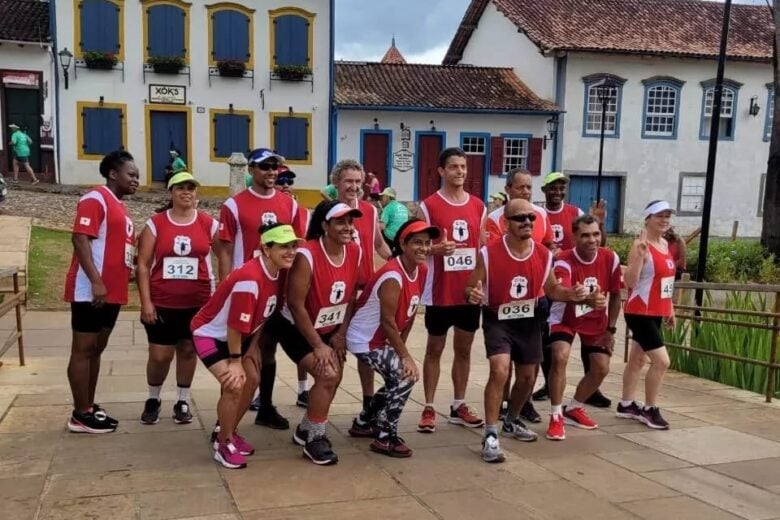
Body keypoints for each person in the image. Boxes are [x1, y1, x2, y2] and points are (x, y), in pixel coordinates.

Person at [465, 199, 599, 463]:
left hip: (529, 318)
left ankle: (512, 420)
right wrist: (473, 293)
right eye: (520, 218)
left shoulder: (543, 254)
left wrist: (572, 294)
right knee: (500, 369)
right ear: (506, 223)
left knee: (527, 378)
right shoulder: (489, 253)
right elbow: (469, 287)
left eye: (531, 217)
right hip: (498, 317)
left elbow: (552, 290)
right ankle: (491, 434)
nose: (527, 222)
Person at [191, 223, 301, 469]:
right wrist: (235, 360)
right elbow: (233, 325)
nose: (291, 251)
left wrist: (252, 350)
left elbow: (263, 313)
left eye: (294, 245)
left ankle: (230, 431)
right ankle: (222, 441)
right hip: (210, 334)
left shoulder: (278, 273)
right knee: (234, 384)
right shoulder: (250, 279)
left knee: (252, 379)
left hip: (239, 337)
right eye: (284, 246)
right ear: (266, 249)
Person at [216, 147, 298, 430]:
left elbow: (297, 248)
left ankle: (265, 406)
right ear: (251, 170)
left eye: (275, 166)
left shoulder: (290, 204)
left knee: (268, 350)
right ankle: (225, 419)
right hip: (246, 291)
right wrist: (225, 287)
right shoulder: (234, 206)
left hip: (276, 291)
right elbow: (224, 249)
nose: (272, 172)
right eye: (265, 167)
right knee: (237, 354)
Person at [279, 201, 363, 465]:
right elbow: (295, 303)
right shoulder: (308, 254)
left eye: (350, 221)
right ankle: (316, 437)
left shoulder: (355, 252)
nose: (347, 227)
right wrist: (318, 344)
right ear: (325, 225)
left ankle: (306, 428)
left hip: (330, 326)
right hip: (296, 327)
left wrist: (340, 334)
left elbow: (350, 296)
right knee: (327, 373)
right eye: (340, 222)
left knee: (334, 376)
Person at [64, 150, 139, 433]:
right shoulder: (95, 199)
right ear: (112, 174)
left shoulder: (120, 206)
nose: (136, 181)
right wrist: (96, 281)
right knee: (83, 350)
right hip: (91, 292)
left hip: (113, 292)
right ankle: (80, 413)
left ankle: (89, 405)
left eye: (137, 176)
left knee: (97, 350)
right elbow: (80, 238)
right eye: (131, 175)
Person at [346, 219, 435, 457]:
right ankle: (385, 437)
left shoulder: (422, 269)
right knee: (405, 377)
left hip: (380, 337)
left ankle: (365, 422)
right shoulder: (393, 275)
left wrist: (400, 350)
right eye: (417, 242)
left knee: (397, 376)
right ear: (403, 244)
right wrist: (405, 357)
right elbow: (387, 321)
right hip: (363, 338)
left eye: (427, 243)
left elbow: (411, 311)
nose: (424, 248)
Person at [136, 172, 218, 425]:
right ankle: (153, 397)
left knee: (187, 350)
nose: (187, 193)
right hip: (162, 302)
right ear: (171, 192)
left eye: (191, 188)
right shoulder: (156, 224)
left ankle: (183, 399)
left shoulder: (208, 223)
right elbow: (143, 265)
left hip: (197, 301)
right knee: (160, 356)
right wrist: (146, 302)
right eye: (181, 188)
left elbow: (223, 254)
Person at [415, 147, 486, 434]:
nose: (460, 171)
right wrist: (435, 249)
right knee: (434, 348)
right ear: (442, 171)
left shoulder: (479, 206)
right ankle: (429, 406)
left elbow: (482, 251)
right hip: (439, 291)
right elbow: (416, 248)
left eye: (463, 167)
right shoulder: (428, 206)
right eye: (454, 167)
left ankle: (458, 404)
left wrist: (480, 284)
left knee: (464, 350)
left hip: (467, 292)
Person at [325, 160, 392, 438]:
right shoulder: (327, 213)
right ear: (336, 183)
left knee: (366, 351)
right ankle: (320, 414)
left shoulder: (370, 211)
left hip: (365, 291)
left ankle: (367, 406)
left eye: (357, 181)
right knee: (334, 354)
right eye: (347, 181)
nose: (353, 187)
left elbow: (378, 244)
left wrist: (398, 263)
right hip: (338, 293)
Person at [534, 172, 611, 408]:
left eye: (561, 188)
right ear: (545, 191)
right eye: (553, 188)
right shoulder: (539, 215)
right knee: (552, 342)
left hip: (578, 277)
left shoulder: (575, 212)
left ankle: (591, 389)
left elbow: (598, 242)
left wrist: (600, 222)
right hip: (552, 280)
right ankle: (550, 383)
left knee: (589, 336)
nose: (558, 191)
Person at [546, 215, 623, 441]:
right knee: (560, 356)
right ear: (575, 237)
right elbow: (562, 289)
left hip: (596, 320)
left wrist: (611, 330)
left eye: (596, 234)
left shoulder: (610, 258)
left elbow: (617, 296)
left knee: (601, 367)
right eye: (586, 235)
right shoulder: (563, 260)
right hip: (565, 317)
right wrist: (583, 299)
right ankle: (556, 415)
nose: (592, 239)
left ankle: (575, 407)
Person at [486, 168, 553, 424]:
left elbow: (547, 246)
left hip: (535, 298)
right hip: (503, 301)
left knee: (529, 360)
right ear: (509, 189)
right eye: (521, 187)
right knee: (501, 365)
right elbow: (494, 253)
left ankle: (521, 404)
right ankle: (502, 406)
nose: (526, 191)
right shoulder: (494, 218)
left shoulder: (541, 215)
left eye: (529, 187)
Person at [618, 200, 677, 430]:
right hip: (639, 310)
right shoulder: (640, 245)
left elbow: (666, 281)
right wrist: (641, 257)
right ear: (648, 219)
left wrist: (669, 308)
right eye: (659, 216)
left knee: (637, 359)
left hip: (656, 310)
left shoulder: (664, 244)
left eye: (667, 216)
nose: (664, 220)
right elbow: (629, 282)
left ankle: (626, 403)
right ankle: (650, 409)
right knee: (662, 361)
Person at [274, 165, 311, 404]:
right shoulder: (269, 212)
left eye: (289, 180)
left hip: (297, 282)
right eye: (281, 181)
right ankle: (258, 395)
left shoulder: (304, 212)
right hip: (270, 284)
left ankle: (302, 389)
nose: (285, 185)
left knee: (303, 338)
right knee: (264, 346)